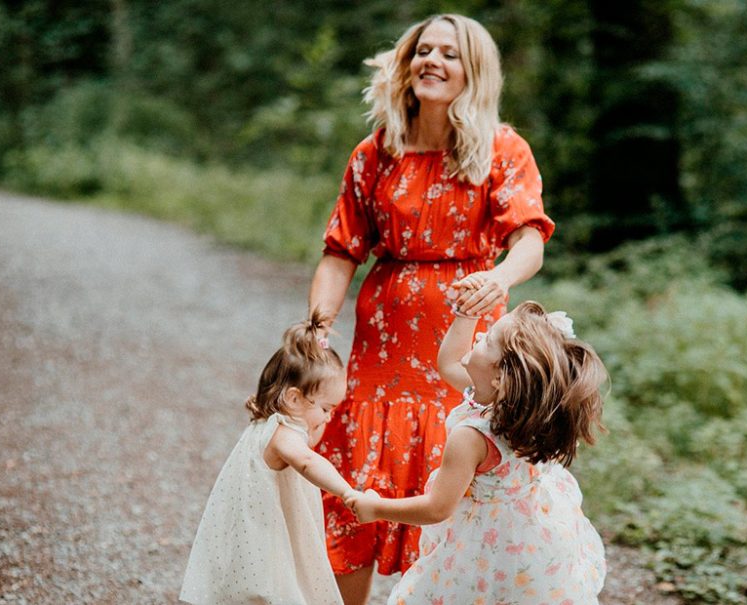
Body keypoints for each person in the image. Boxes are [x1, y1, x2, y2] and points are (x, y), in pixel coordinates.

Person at [307, 13, 556, 604]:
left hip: (467, 351)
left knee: (464, 495)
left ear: (474, 71)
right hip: (381, 352)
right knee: (354, 492)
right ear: (406, 62)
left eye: (450, 53)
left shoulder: (502, 148)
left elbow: (530, 238)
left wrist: (498, 277)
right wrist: (317, 326)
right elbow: (340, 251)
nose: (432, 61)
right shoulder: (375, 154)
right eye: (423, 50)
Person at [347, 299, 608, 604]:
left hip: (483, 542)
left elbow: (437, 508)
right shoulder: (522, 409)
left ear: (500, 377)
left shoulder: (471, 437)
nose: (481, 334)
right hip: (525, 534)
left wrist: (375, 508)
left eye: (490, 340)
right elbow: (449, 364)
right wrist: (464, 315)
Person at [180, 312, 360, 605]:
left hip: (263, 528)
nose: (329, 418)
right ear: (293, 399)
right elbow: (308, 462)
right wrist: (347, 492)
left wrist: (316, 421)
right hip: (264, 539)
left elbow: (308, 447)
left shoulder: (273, 424)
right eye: (327, 409)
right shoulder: (284, 436)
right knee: (276, 592)